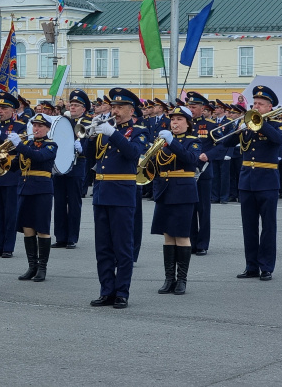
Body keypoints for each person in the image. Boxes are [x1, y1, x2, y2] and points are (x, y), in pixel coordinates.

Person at [89, 88, 149, 309]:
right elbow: (91, 156)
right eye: (113, 107)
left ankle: (122, 292)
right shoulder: (107, 129)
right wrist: (93, 132)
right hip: (102, 191)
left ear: (131, 110)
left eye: (120, 107)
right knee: (103, 247)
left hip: (122, 193)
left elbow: (133, 153)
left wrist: (111, 133)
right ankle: (106, 291)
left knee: (123, 247)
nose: (115, 111)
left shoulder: (138, 130)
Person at [219, 85, 282, 281]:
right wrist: (237, 128)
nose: (256, 107)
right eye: (254, 103)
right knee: (249, 227)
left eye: (260, 104)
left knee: (268, 227)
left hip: (267, 181)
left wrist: (259, 123)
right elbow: (226, 143)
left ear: (269, 107)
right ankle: (251, 266)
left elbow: (278, 139)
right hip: (247, 181)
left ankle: (266, 267)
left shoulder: (276, 124)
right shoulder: (246, 124)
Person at [151, 106, 200, 295]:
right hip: (164, 189)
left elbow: (191, 159)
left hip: (183, 191)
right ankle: (169, 278)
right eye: (173, 120)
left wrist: (171, 142)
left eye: (179, 119)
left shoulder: (192, 141)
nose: (175, 123)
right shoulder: (162, 141)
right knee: (168, 235)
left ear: (188, 123)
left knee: (182, 235)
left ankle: (182, 280)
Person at [7, 113, 57, 281]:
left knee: (42, 228)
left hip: (42, 190)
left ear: (48, 129)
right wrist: (0, 160)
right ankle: (32, 266)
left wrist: (19, 145)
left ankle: (42, 268)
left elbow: (39, 157)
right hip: (25, 188)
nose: (36, 129)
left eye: (40, 126)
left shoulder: (51, 145)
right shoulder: (26, 144)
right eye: (34, 126)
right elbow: (15, 166)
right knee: (27, 229)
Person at [0, 91, 27, 258]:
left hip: (10, 173)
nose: (0, 111)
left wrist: (1, 136)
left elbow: (18, 147)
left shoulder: (20, 126)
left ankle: (8, 247)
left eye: (3, 108)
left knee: (10, 213)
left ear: (12, 110)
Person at [52, 89, 92, 250]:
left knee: (74, 202)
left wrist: (81, 148)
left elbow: (90, 148)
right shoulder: (65, 120)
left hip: (77, 166)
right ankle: (60, 236)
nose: (73, 107)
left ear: (84, 108)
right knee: (60, 202)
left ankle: (72, 237)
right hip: (60, 166)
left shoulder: (88, 123)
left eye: (76, 105)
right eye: (71, 104)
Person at [185, 92, 223, 256]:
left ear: (202, 108)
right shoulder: (185, 124)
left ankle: (202, 244)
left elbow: (222, 146)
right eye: (189, 107)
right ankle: (191, 242)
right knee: (190, 208)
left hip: (204, 171)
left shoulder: (210, 125)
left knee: (203, 209)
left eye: (194, 107)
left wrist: (209, 155)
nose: (191, 110)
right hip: (186, 172)